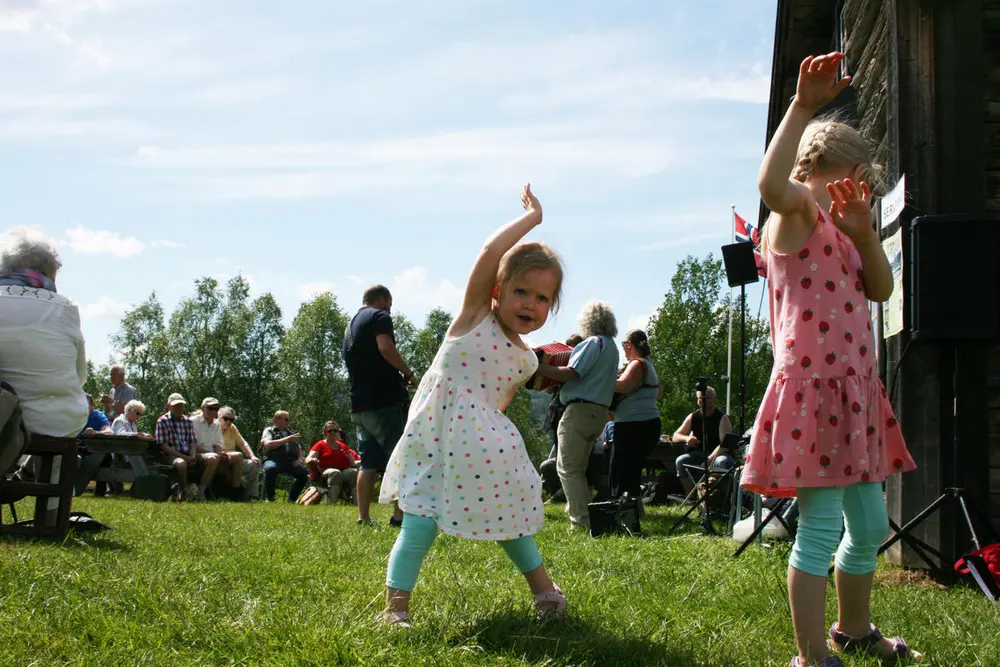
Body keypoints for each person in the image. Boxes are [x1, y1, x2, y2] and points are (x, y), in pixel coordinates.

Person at [745, 51, 919, 667]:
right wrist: (802, 106)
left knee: (869, 526)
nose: (854, 195)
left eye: (862, 187)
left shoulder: (847, 231)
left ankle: (852, 628)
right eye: (846, 181)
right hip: (812, 395)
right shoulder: (793, 216)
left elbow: (881, 290)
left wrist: (867, 235)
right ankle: (812, 654)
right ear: (813, 171)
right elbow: (769, 187)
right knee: (819, 530)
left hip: (855, 393)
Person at [378, 184, 566, 627]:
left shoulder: (525, 355)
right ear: (497, 291)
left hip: (485, 449)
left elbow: (497, 400)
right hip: (436, 438)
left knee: (513, 521)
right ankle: (395, 611)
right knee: (419, 521)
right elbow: (489, 250)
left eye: (543, 299)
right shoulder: (473, 318)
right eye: (522, 291)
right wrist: (532, 219)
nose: (531, 304)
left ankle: (545, 593)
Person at [0, 228, 88, 525]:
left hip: (3, 417)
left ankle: (19, 472)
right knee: (56, 416)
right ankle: (48, 515)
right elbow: (80, 375)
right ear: (43, 272)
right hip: (55, 418)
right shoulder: (65, 308)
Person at [535, 300, 619, 531]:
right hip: (600, 412)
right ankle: (587, 516)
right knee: (578, 469)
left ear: (588, 320)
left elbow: (573, 373)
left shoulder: (593, 343)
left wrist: (541, 368)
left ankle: (580, 521)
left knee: (567, 468)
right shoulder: (612, 347)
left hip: (580, 410)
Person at [342, 284, 416, 526]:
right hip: (384, 401)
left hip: (359, 404)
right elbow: (385, 347)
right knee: (401, 455)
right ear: (383, 299)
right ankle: (399, 516)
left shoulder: (351, 326)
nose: (390, 310)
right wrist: (408, 373)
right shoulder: (379, 316)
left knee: (368, 461)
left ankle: (363, 517)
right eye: (390, 304)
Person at [610, 329, 663, 503]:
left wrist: (601, 378)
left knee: (622, 471)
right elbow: (659, 393)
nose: (623, 348)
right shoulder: (648, 364)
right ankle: (633, 510)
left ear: (630, 345)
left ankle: (623, 508)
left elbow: (622, 386)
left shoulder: (636, 364)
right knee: (632, 470)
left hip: (633, 426)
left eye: (624, 344)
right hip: (647, 424)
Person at [671, 386, 734, 496]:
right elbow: (675, 435)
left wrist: (709, 459)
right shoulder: (693, 416)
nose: (703, 400)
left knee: (722, 462)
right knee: (681, 460)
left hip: (719, 454)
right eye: (701, 398)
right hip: (700, 454)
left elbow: (725, 445)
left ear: (715, 400)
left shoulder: (722, 418)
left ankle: (719, 497)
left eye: (707, 398)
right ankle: (692, 495)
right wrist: (687, 438)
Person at [155, 393, 218, 501]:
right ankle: (183, 491)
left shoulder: (187, 421)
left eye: (181, 405)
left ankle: (201, 492)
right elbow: (164, 446)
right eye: (176, 406)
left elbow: (192, 442)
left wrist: (192, 456)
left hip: (188, 454)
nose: (179, 408)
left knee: (213, 458)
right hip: (171, 455)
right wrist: (185, 458)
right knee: (181, 463)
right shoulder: (162, 421)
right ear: (169, 406)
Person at [305, 420, 359, 504]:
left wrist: (365, 461)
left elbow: (352, 463)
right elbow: (308, 458)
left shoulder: (343, 446)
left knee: (353, 472)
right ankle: (332, 503)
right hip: (324, 472)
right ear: (325, 433)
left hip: (343, 470)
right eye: (330, 431)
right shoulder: (320, 444)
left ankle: (357, 504)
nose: (333, 432)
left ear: (338, 432)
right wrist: (312, 459)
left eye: (335, 430)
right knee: (335, 473)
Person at [260, 410, 309, 503]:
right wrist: (287, 439)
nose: (289, 421)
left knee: (304, 473)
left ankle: (292, 499)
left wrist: (299, 460)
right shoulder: (269, 430)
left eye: (289, 419)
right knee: (270, 469)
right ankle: (270, 498)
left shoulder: (291, 433)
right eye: (286, 419)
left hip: (290, 462)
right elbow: (268, 444)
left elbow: (299, 449)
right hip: (273, 459)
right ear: (277, 420)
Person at [218, 405, 261, 500]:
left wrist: (252, 456)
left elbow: (243, 443)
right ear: (219, 417)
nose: (229, 422)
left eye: (231, 420)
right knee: (238, 455)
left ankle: (252, 495)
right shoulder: (214, 427)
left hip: (235, 460)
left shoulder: (232, 428)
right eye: (226, 419)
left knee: (254, 465)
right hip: (220, 458)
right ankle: (235, 493)